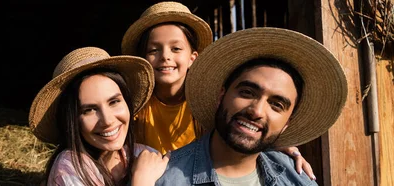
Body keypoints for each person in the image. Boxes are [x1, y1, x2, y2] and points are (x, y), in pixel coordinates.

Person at [121, 1, 315, 177]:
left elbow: (241, 132)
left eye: (176, 49)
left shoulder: (206, 101)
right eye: (154, 50)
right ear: (144, 59)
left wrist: (282, 146)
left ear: (193, 58)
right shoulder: (135, 105)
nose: (165, 57)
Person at [155, 27, 348, 185]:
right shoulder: (164, 178)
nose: (256, 111)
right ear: (221, 96)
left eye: (276, 105)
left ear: (287, 123)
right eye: (247, 93)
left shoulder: (296, 178)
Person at [29, 47, 168, 186]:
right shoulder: (68, 168)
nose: (107, 120)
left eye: (114, 102)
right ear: (72, 120)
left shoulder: (144, 154)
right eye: (89, 110)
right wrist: (142, 180)